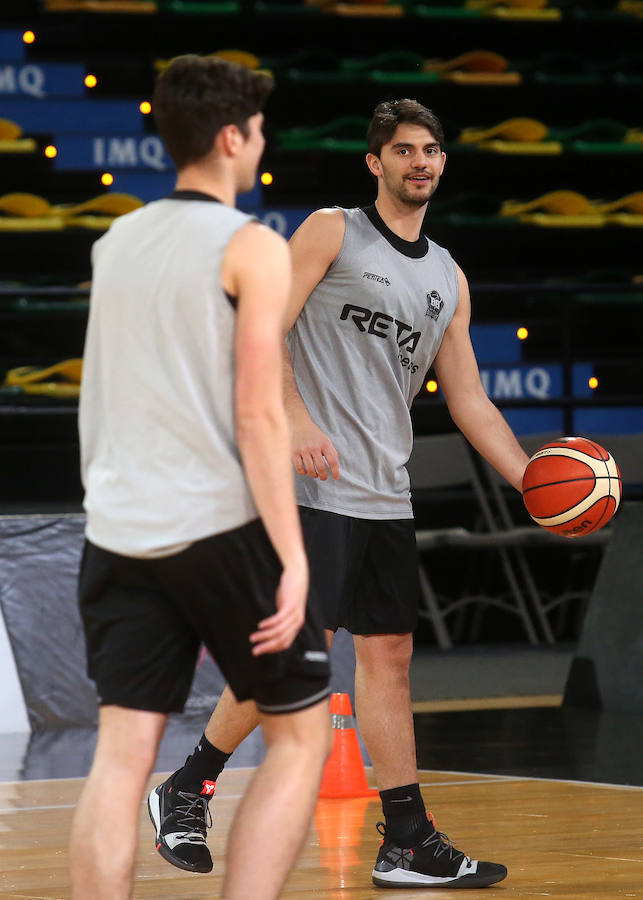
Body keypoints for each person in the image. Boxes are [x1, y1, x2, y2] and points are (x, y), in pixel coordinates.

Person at [150, 98, 529, 889]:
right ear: (375, 163)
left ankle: (406, 840)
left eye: (430, 150)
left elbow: (468, 400)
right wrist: (292, 419)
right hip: (307, 480)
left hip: (382, 490)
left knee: (388, 659)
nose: (419, 162)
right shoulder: (333, 229)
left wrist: (530, 480)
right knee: (296, 652)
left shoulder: (447, 276)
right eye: (402, 150)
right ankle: (187, 788)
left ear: (442, 163)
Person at [69, 54, 331, 900]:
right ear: (231, 136)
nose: (260, 145)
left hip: (115, 532)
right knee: (299, 737)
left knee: (120, 755)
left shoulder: (116, 241)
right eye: (256, 131)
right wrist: (291, 556)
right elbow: (258, 414)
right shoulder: (250, 244)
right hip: (214, 527)